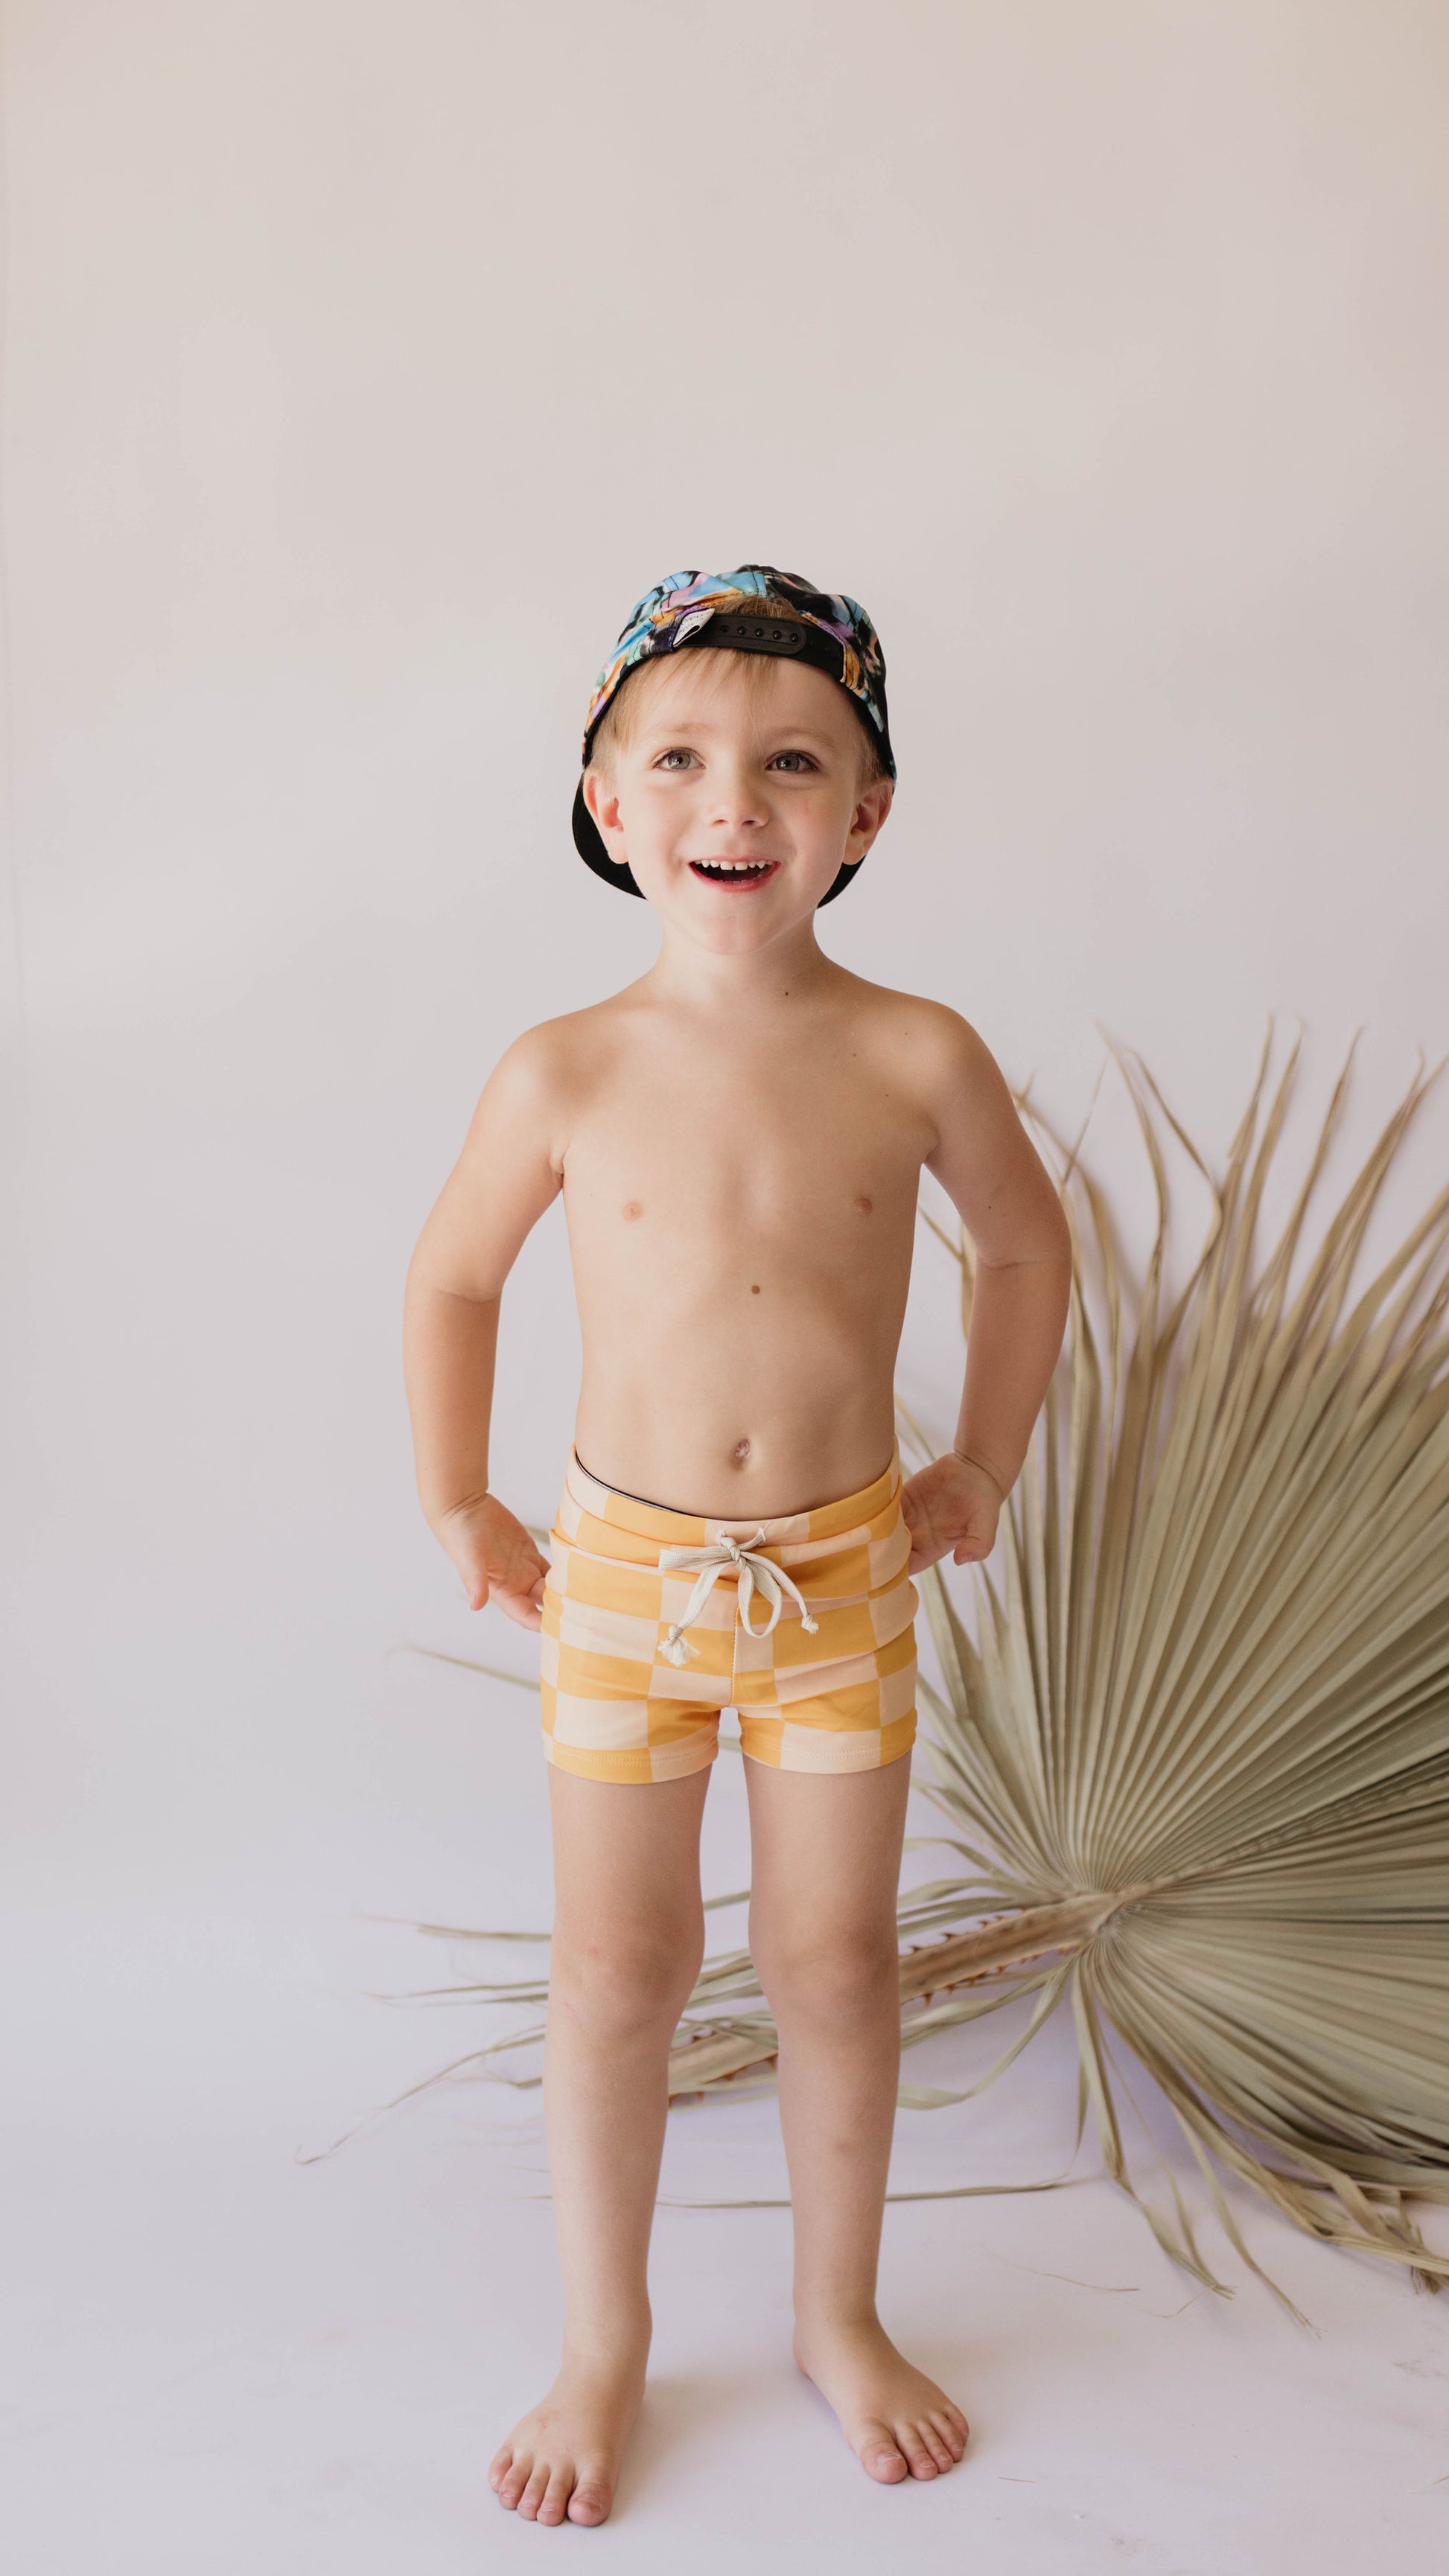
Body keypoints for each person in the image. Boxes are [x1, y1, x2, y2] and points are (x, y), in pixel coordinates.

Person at [403, 567, 1072, 2528]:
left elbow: (1026, 1245)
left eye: (794, 764)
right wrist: (460, 1493)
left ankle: (833, 2311)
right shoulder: (565, 1065)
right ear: (608, 802)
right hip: (620, 1586)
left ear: (864, 815)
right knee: (616, 1962)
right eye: (681, 759)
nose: (737, 801)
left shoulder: (915, 1050)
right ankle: (602, 2335)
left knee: (835, 1958)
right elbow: (451, 1276)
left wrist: (981, 1459)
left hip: (843, 1580)